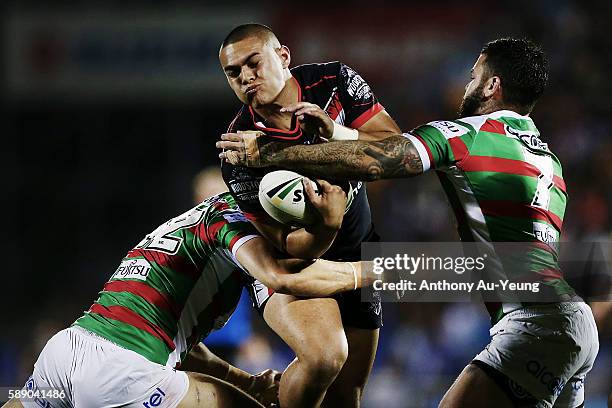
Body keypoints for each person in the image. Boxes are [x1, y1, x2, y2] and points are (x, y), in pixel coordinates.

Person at [217, 38, 600, 408]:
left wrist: (272, 155)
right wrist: (337, 132)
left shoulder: (468, 134)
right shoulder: (548, 159)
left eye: (472, 77)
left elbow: (384, 159)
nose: (465, 86)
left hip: (534, 322)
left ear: (492, 85)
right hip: (573, 321)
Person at [6, 183, 375, 408]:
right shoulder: (236, 222)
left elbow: (178, 342)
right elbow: (279, 275)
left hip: (68, 351)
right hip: (125, 374)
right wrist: (384, 269)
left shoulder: (193, 222)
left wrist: (243, 380)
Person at [218, 23, 401, 408]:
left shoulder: (334, 81)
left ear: (283, 56)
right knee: (323, 357)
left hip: (360, 250)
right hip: (294, 264)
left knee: (348, 391)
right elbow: (288, 246)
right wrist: (328, 222)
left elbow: (396, 151)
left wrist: (336, 132)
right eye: (233, 73)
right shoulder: (238, 151)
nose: (246, 77)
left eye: (254, 63)